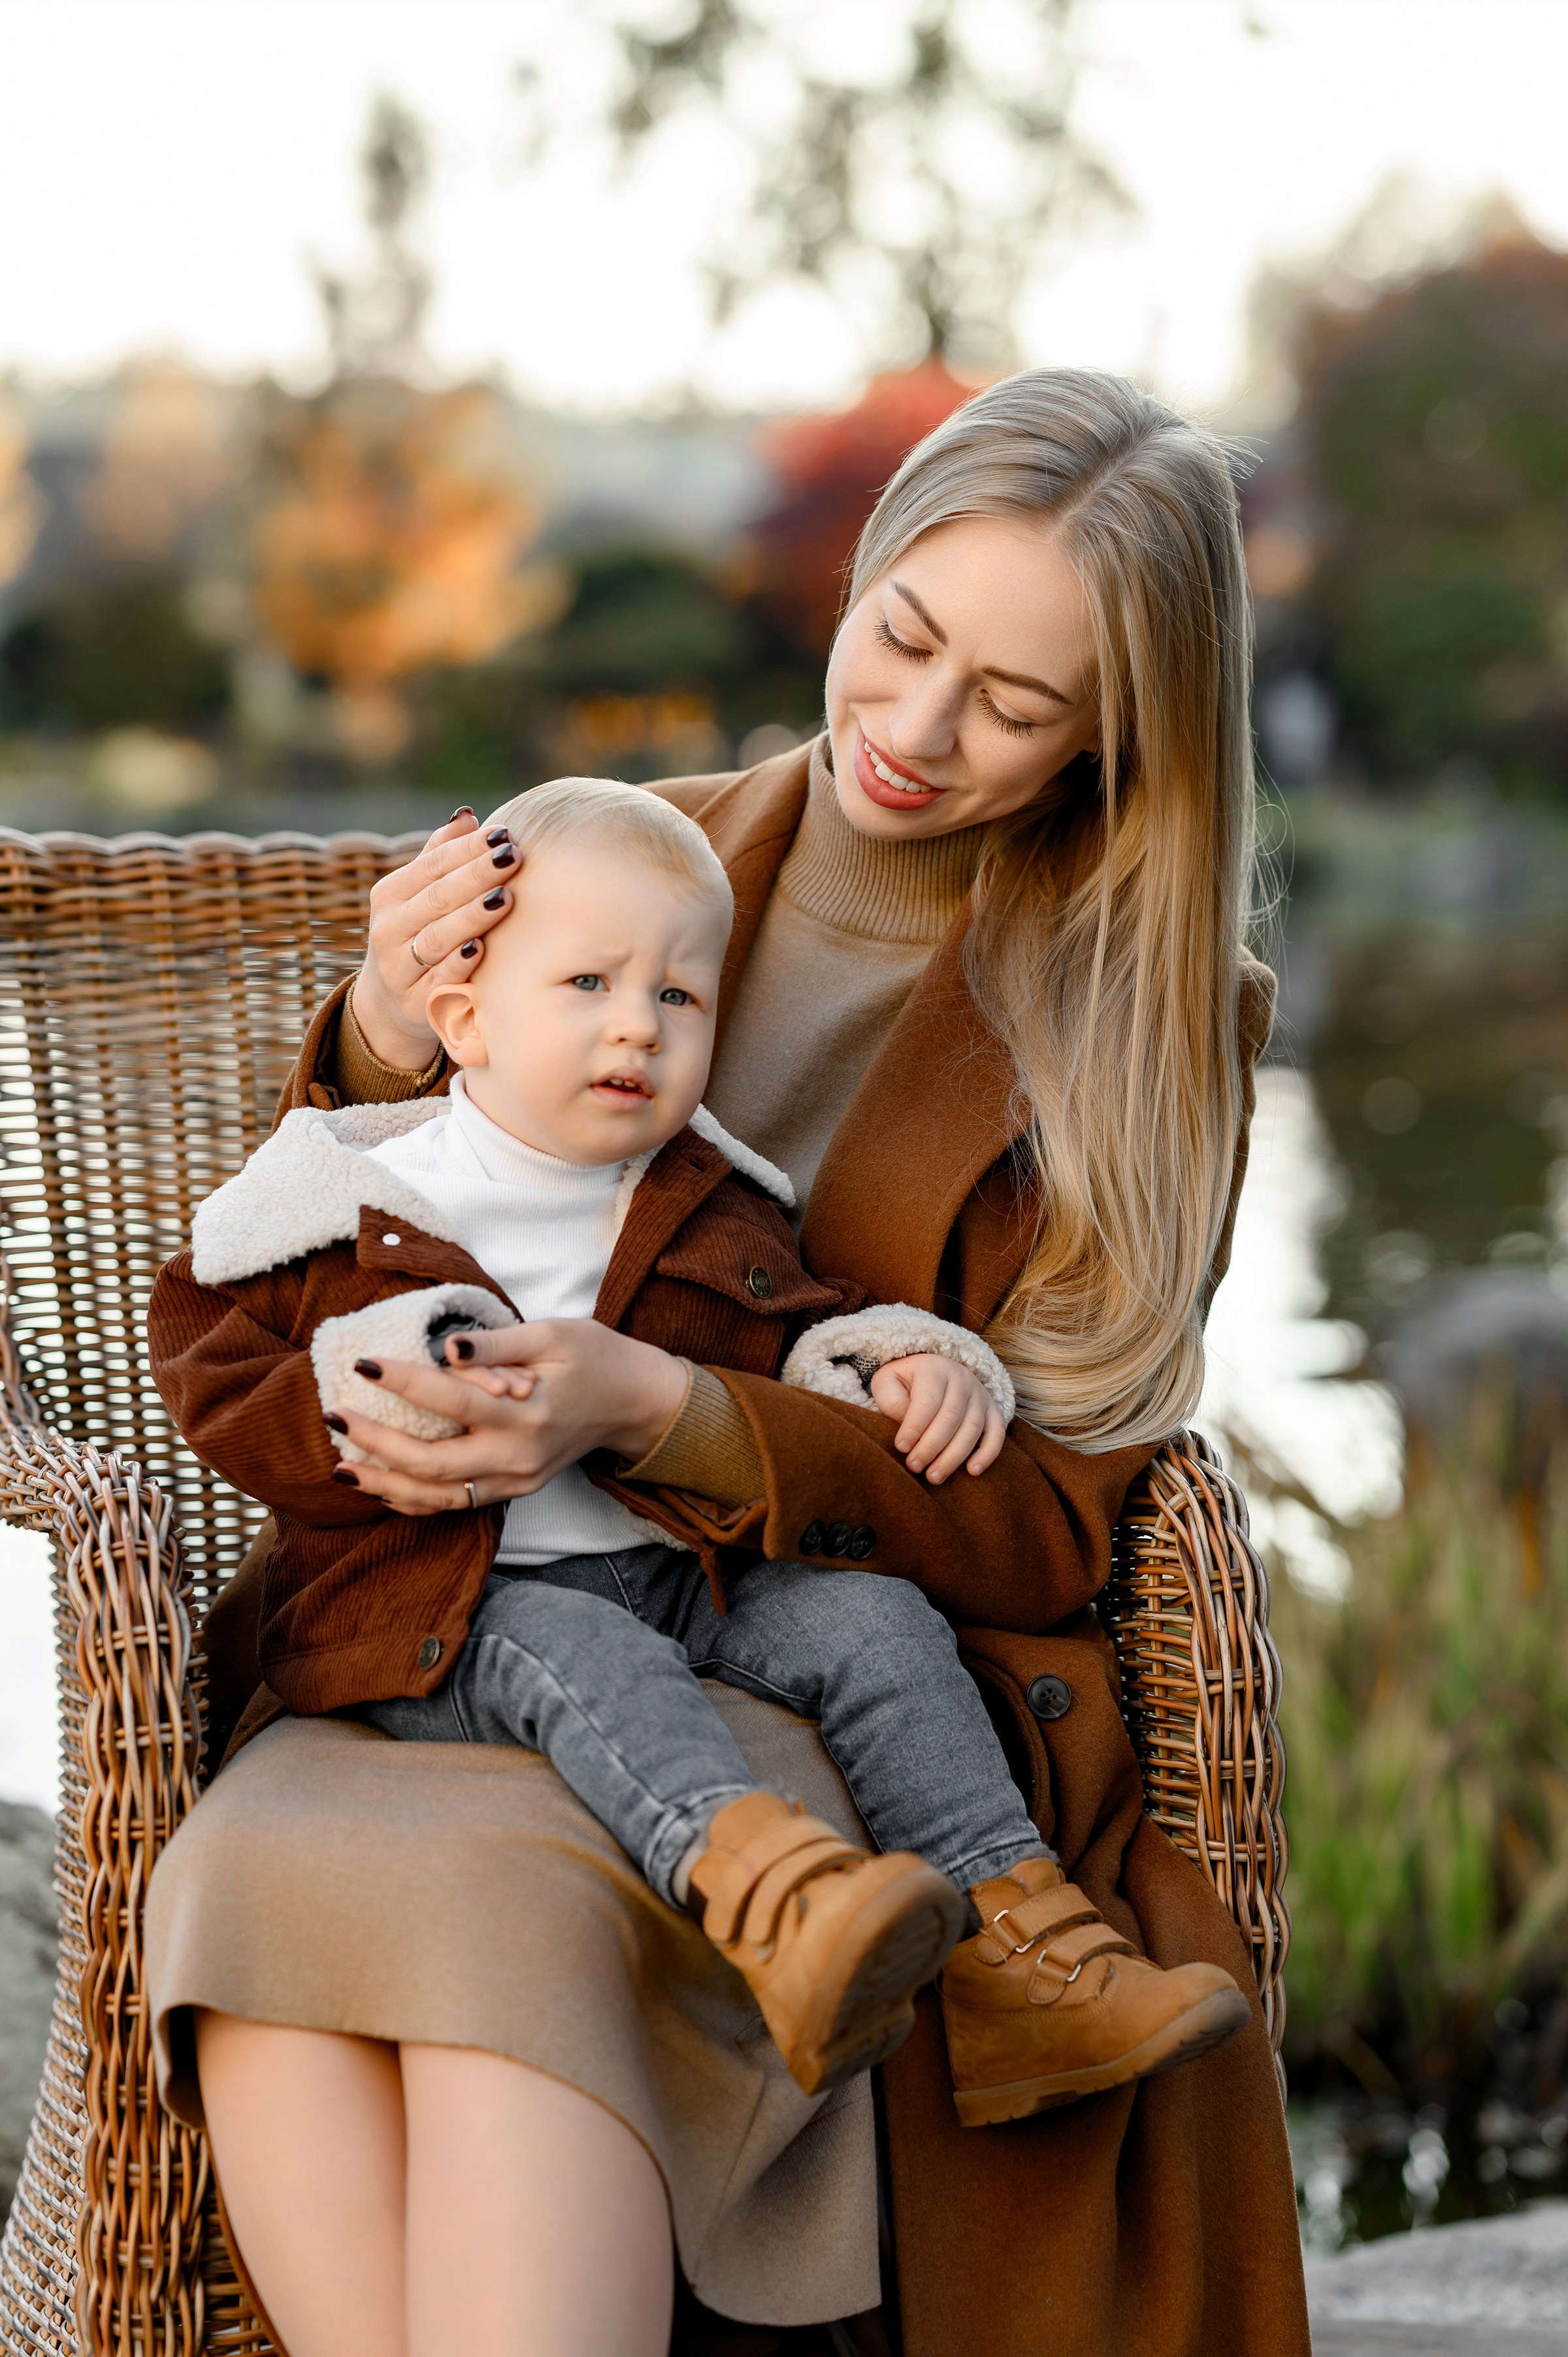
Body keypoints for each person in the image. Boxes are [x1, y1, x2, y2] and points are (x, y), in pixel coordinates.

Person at [146, 369, 1311, 2357]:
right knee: (252, 1867)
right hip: (448, 1609)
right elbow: (356, 1199)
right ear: (858, 577)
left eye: (1017, 708)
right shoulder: (634, 854)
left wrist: (669, 1415)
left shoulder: (1147, 1025)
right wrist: (375, 1031)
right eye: (906, 638)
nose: (920, 732)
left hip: (821, 1663)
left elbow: (1046, 1529)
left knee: (501, 1926)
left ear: (1122, 738)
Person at [152, 772, 1250, 2124]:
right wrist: (347, 1402)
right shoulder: (358, 1187)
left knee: (871, 1620)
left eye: (679, 999)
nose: (638, 1025)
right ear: (462, 1013)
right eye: (590, 985)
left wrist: (897, 1360)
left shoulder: (701, 1195)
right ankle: (773, 1901)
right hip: (440, 1607)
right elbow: (210, 1354)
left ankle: (1020, 1951)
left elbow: (788, 1332)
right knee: (584, 1652)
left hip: (678, 1574)